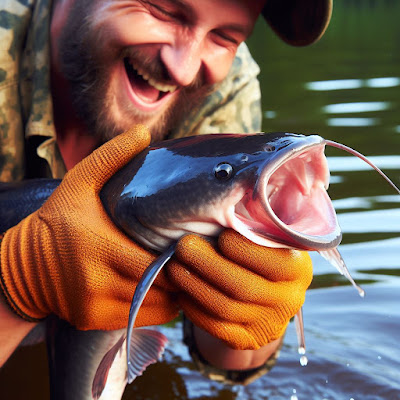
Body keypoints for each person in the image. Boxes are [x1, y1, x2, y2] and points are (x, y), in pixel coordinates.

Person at [0, 0, 331, 390]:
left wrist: (250, 311)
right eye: (163, 10)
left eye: (225, 37)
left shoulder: (224, 86)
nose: (184, 68)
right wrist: (20, 284)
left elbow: (230, 362)